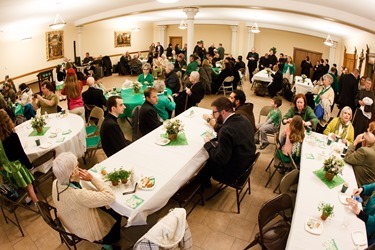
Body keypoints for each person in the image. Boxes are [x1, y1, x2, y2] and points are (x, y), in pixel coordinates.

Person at [52, 152, 122, 249]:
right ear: (72, 173)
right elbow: (110, 196)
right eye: (77, 166)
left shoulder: (55, 183)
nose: (79, 166)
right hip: (84, 229)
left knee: (101, 203)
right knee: (116, 212)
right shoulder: (78, 195)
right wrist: (92, 178)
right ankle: (108, 244)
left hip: (68, 222)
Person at [200, 97, 256, 187]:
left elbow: (220, 159)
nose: (213, 116)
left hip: (234, 173)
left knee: (206, 163)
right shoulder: (243, 118)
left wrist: (208, 145)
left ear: (223, 112)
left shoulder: (226, 130)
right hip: (247, 163)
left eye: (214, 112)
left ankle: (202, 185)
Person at [0, 110, 38, 203]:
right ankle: (39, 206)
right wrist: (29, 166)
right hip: (17, 168)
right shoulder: (13, 136)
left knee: (20, 184)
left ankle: (27, 198)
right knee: (29, 186)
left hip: (6, 170)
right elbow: (21, 154)